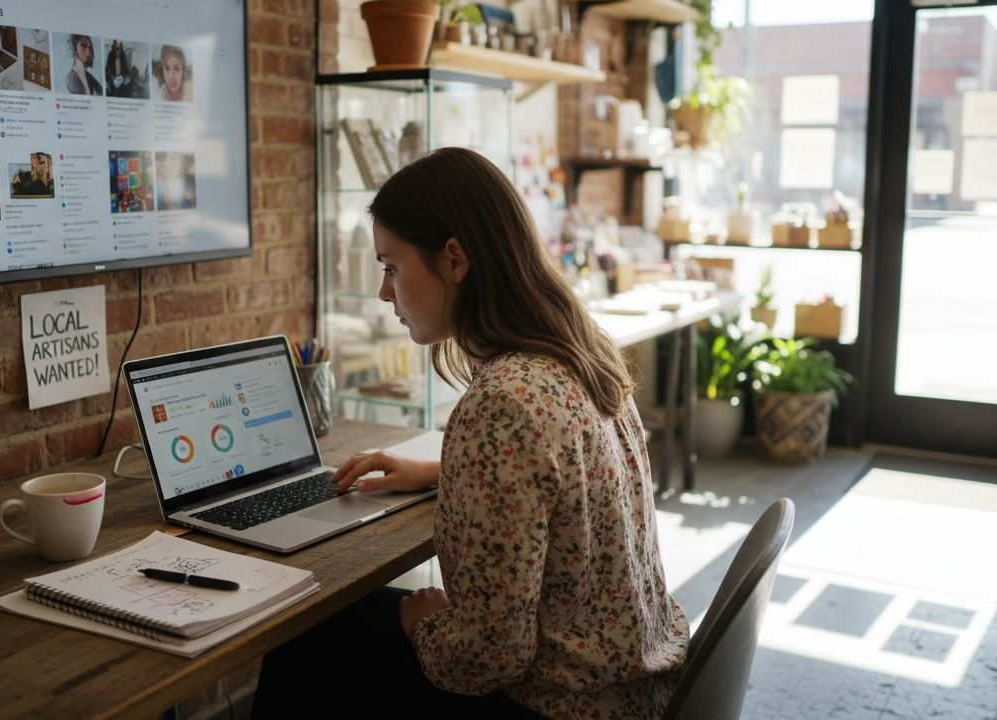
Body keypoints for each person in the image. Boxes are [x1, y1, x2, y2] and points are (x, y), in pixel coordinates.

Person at [252, 148, 690, 719]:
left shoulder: (502, 403)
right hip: (632, 685)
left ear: (455, 259)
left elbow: (486, 659)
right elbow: (564, 476)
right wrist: (445, 471)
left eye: (391, 267)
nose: (384, 292)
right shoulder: (579, 353)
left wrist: (419, 623)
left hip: (561, 705)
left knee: (303, 634)